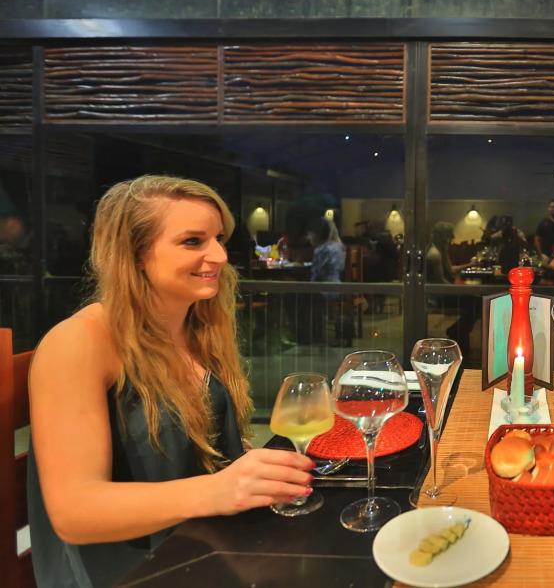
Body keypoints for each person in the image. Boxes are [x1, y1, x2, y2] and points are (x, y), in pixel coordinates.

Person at [27, 176, 315, 588]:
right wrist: (220, 489)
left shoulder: (198, 328)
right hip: (131, 572)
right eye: (192, 241)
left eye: (219, 239)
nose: (219, 256)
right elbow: (74, 513)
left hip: (201, 545)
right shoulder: (78, 342)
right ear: (133, 254)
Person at [424, 222, 477, 351]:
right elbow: (440, 283)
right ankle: (457, 332)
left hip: (440, 292)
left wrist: (470, 265)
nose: (452, 237)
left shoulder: (439, 250)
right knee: (475, 303)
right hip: (436, 296)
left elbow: (450, 270)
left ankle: (458, 332)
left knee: (474, 302)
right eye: (450, 235)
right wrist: (459, 290)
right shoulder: (434, 254)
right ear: (444, 236)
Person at [309, 217, 351, 347]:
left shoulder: (321, 250)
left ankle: (312, 335)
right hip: (339, 286)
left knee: (299, 296)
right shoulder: (339, 246)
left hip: (325, 289)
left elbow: (316, 274)